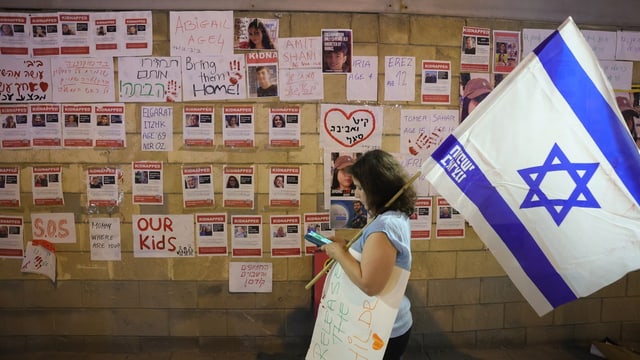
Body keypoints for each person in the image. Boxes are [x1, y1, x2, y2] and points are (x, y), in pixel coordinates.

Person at [319, 149, 416, 360]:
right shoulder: (390, 217)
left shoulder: (385, 225)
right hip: (378, 324)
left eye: (361, 188)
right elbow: (373, 260)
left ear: (377, 189)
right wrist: (347, 247)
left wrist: (339, 254)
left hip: (382, 330)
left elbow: (370, 285)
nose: (357, 194)